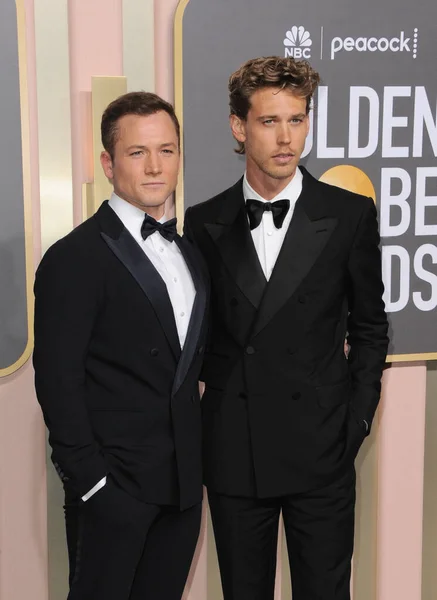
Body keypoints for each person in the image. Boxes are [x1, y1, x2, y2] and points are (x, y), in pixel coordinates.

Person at [184, 56, 389, 600]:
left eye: (296, 120)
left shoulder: (348, 215)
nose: (285, 138)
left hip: (322, 448)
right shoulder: (203, 223)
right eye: (269, 121)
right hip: (235, 451)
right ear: (238, 126)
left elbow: (371, 328)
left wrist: (357, 419)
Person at [33, 91, 208, 600]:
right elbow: (58, 383)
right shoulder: (74, 257)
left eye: (167, 150)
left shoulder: (189, 252)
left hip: (180, 492)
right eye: (138, 153)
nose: (155, 166)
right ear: (108, 163)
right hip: (114, 490)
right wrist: (93, 485)